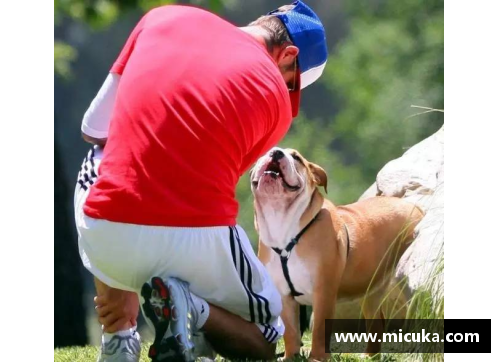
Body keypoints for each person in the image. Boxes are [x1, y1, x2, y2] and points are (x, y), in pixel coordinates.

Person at [75, 1, 327, 361]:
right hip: (196, 236)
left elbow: (93, 128)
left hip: (109, 237)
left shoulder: (163, 16)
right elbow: (205, 176)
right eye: (292, 82)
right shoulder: (277, 105)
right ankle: (192, 307)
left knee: (101, 158)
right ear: (288, 55)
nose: (285, 91)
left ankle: (119, 337)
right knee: (265, 336)